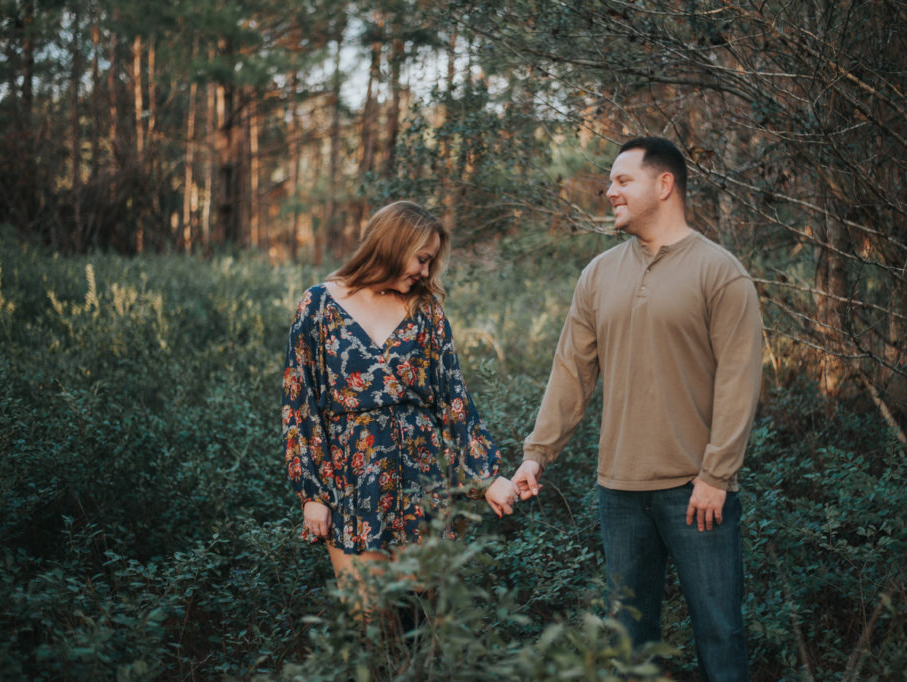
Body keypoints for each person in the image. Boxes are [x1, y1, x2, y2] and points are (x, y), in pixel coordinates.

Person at [511, 137, 762, 681]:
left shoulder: (721, 273)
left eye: (623, 181)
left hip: (697, 493)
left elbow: (740, 382)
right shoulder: (598, 275)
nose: (610, 192)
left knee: (720, 634)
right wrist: (537, 454)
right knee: (628, 642)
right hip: (619, 493)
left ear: (664, 184)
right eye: (610, 182)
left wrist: (717, 474)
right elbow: (571, 372)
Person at [282, 200, 517, 602]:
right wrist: (313, 494)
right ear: (392, 244)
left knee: (420, 609)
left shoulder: (426, 311)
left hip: (420, 478)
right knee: (368, 615)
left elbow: (453, 399)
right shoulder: (318, 306)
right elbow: (300, 405)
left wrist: (487, 476)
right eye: (422, 259)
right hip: (351, 480)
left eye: (430, 263)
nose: (425, 272)